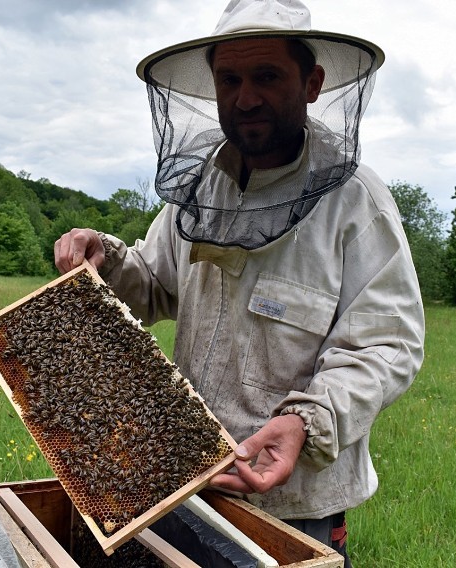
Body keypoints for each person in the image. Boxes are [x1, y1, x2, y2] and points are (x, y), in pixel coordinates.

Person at [55, 1, 425, 564]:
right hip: (184, 478)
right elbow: (152, 284)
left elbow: (385, 343)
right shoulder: (202, 191)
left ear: (312, 83)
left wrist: (308, 421)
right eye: (229, 79)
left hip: (296, 505)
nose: (245, 97)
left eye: (267, 76)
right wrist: (104, 257)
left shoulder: (357, 204)